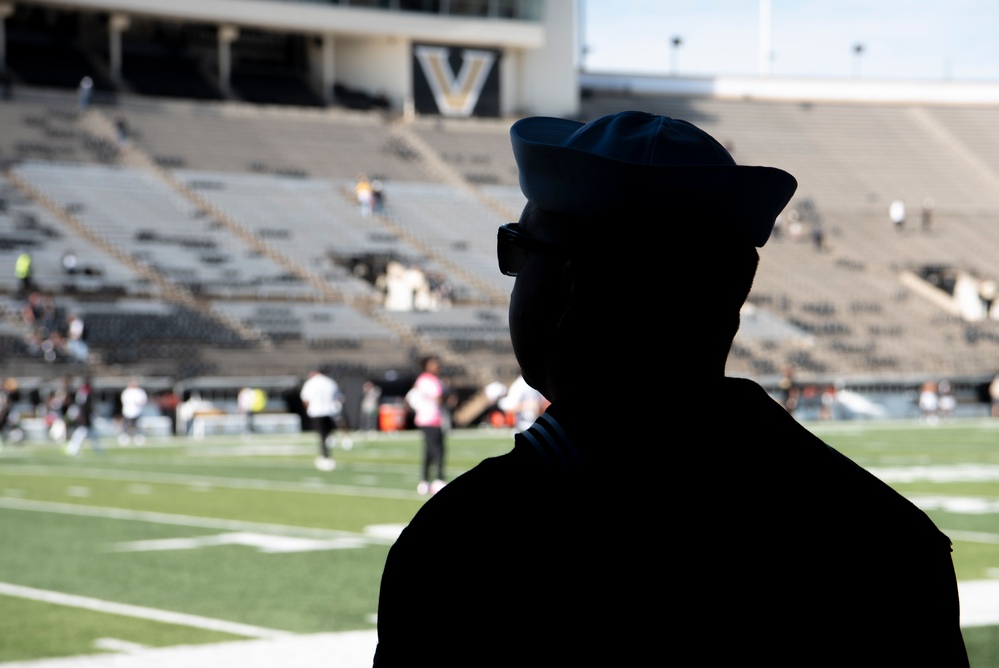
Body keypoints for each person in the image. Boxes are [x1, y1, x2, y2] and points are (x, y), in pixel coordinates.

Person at [374, 111, 968, 666]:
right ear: (737, 289)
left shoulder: (470, 547)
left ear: (568, 284)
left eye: (517, 251)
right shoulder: (889, 539)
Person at [405, 356, 447, 495]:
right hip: (432, 418)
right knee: (439, 450)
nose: (437, 367)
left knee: (428, 450)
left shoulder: (420, 380)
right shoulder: (431, 380)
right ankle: (439, 480)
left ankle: (424, 481)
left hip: (423, 418)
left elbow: (410, 398)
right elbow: (439, 399)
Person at [300, 369, 351, 471]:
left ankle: (325, 456)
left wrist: (308, 408)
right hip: (330, 411)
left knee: (321, 435)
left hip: (316, 412)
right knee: (330, 429)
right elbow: (339, 397)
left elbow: (305, 399)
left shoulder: (310, 383)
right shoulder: (330, 382)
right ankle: (336, 441)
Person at [65, 378, 101, 456]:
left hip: (85, 416)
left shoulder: (83, 392)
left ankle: (97, 449)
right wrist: (83, 416)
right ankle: (73, 448)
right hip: (84, 416)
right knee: (82, 433)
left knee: (92, 434)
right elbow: (83, 406)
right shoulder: (84, 392)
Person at [119, 378, 147, 445]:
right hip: (127, 411)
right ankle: (125, 437)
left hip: (137, 411)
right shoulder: (126, 391)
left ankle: (137, 437)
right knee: (126, 425)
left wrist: (138, 403)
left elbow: (143, 400)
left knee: (136, 425)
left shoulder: (140, 391)